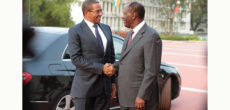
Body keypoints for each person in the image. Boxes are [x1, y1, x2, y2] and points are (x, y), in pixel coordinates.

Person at [68, 0, 116, 110]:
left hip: (104, 89)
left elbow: (111, 57)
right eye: (97, 11)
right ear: (86, 12)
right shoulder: (75, 30)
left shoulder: (106, 28)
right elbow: (76, 58)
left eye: (101, 10)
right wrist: (101, 68)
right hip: (85, 89)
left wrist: (112, 82)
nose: (101, 14)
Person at [115, 1, 162, 110]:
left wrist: (142, 96)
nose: (122, 17)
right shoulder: (129, 35)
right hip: (125, 97)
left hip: (139, 100)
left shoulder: (151, 36)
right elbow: (125, 61)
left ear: (134, 15)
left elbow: (151, 70)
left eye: (124, 13)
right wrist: (112, 67)